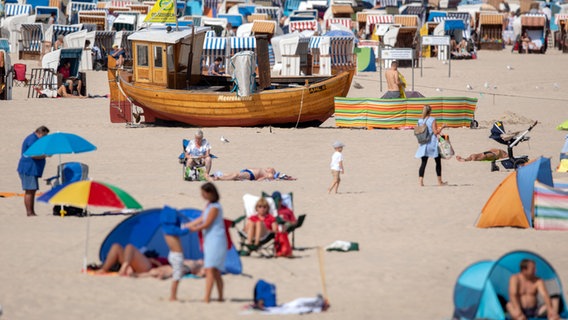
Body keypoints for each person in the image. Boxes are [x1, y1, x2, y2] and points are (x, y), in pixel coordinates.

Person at [186, 183, 227, 303]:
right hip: (210, 240)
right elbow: (201, 218)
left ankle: (207, 298)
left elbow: (207, 223)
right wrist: (188, 225)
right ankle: (220, 297)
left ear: (210, 193)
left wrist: (193, 229)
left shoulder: (215, 207)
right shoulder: (209, 205)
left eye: (204, 193)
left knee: (210, 269)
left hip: (216, 240)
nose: (202, 195)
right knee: (215, 271)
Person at [17, 126, 50, 216]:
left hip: (32, 169)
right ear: (39, 133)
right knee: (30, 190)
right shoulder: (32, 139)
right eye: (45, 135)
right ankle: (29, 212)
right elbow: (33, 155)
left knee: (32, 190)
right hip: (28, 169)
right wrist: (45, 155)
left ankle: (31, 212)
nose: (45, 137)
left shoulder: (36, 139)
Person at [160, 206, 189, 301]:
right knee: (176, 277)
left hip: (173, 255)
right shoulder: (172, 230)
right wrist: (190, 228)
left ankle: (173, 295)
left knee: (176, 276)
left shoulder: (166, 229)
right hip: (177, 256)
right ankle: (173, 296)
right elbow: (182, 232)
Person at [415, 105, 447, 187]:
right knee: (438, 162)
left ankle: (420, 182)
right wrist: (442, 127)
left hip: (423, 143)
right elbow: (435, 132)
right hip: (432, 143)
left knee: (423, 162)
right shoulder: (432, 119)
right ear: (430, 111)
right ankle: (440, 182)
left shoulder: (420, 120)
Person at [95, 243, 168, 276]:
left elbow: (164, 267)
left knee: (129, 247)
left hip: (148, 267)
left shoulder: (165, 259)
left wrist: (154, 261)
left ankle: (123, 269)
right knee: (116, 246)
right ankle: (104, 269)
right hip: (133, 263)